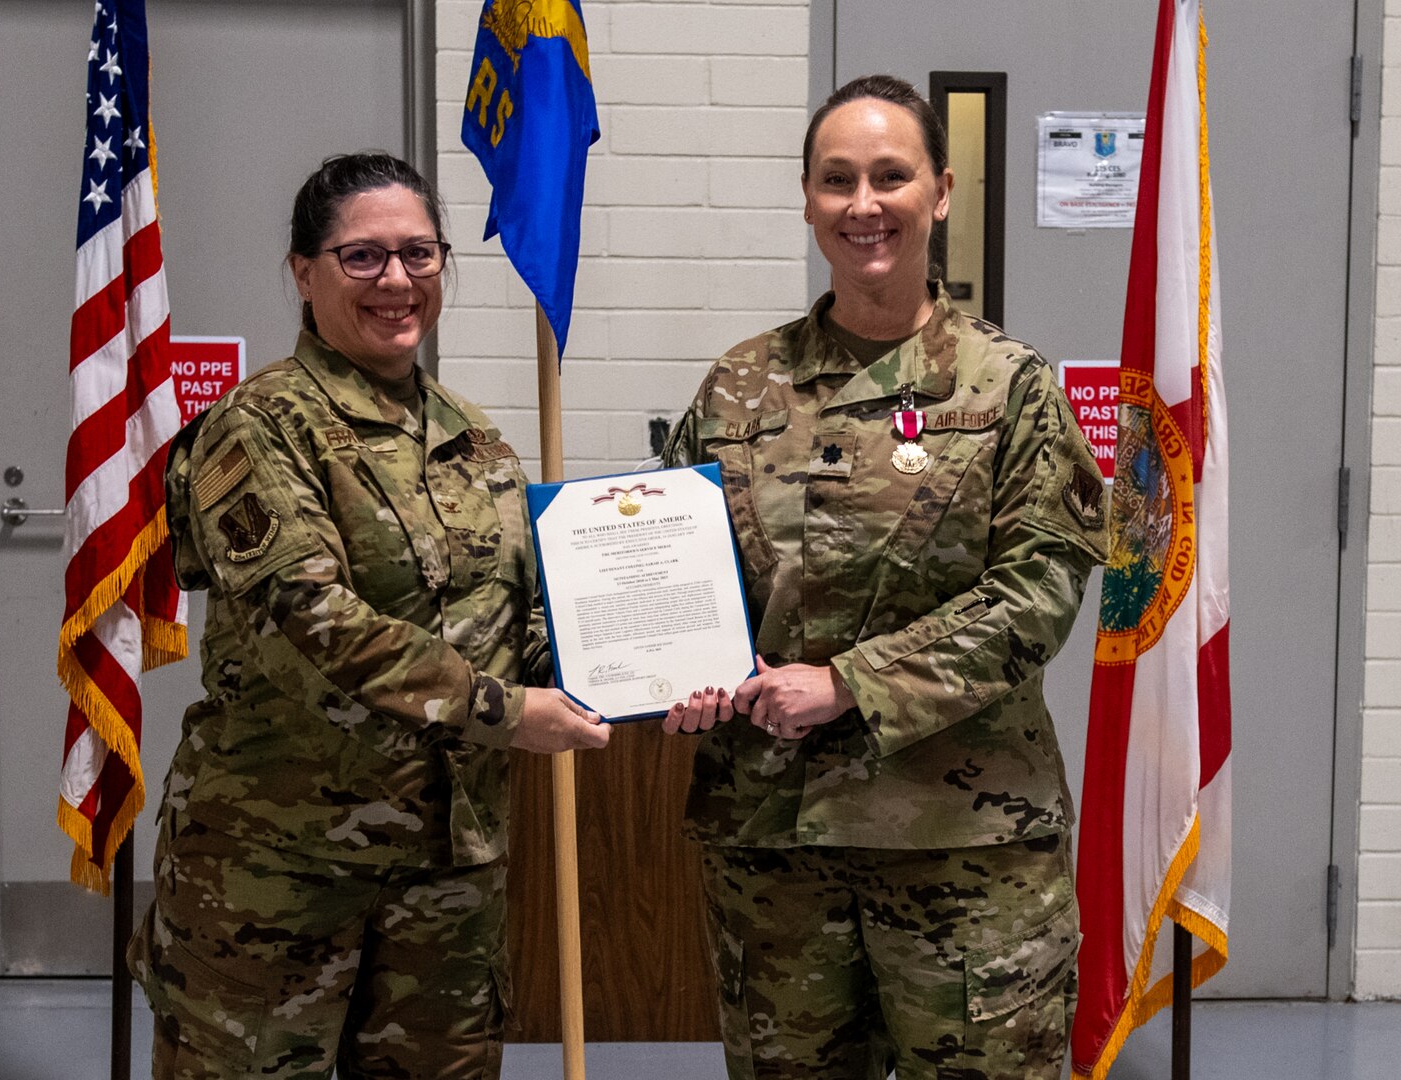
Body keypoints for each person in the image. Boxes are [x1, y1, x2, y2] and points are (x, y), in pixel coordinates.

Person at [662, 76, 1109, 1080]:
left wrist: (852, 683)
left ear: (940, 192)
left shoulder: (1011, 387)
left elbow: (1036, 593)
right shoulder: (740, 385)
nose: (864, 204)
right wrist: (669, 669)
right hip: (772, 845)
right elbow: (679, 568)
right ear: (809, 199)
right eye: (837, 180)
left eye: (890, 176)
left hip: (964, 847)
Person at [127, 151, 609, 1080]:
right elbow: (315, 619)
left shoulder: (476, 438)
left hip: (445, 875)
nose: (397, 280)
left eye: (420, 255)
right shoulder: (260, 426)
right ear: (303, 274)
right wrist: (510, 714)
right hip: (278, 873)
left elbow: (519, 620)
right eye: (362, 258)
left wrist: (629, 674)